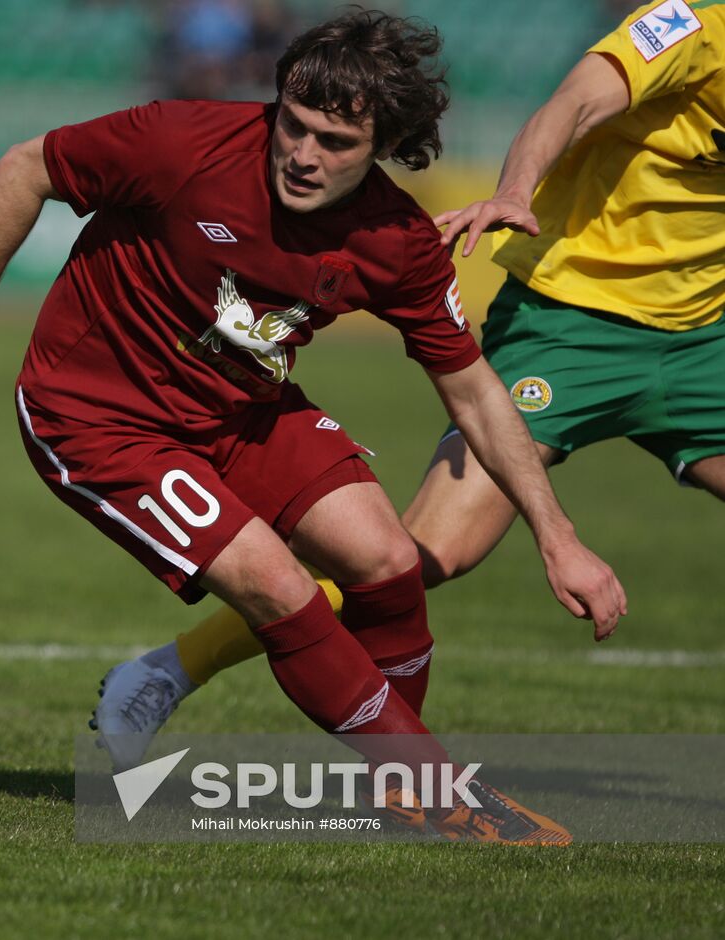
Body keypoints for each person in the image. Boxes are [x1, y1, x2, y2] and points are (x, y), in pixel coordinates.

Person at [0, 9, 625, 843]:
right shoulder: (185, 143)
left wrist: (556, 534)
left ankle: (400, 790)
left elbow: (475, 394)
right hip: (99, 415)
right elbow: (25, 167)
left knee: (389, 563)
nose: (305, 155)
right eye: (296, 126)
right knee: (279, 587)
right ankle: (435, 791)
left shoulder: (397, 241)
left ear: (385, 143)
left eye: (336, 143)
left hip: (239, 408)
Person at [107, 0, 720, 772]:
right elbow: (571, 102)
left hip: (707, 341)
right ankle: (172, 670)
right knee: (413, 557)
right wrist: (518, 192)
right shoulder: (691, 30)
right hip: (575, 324)